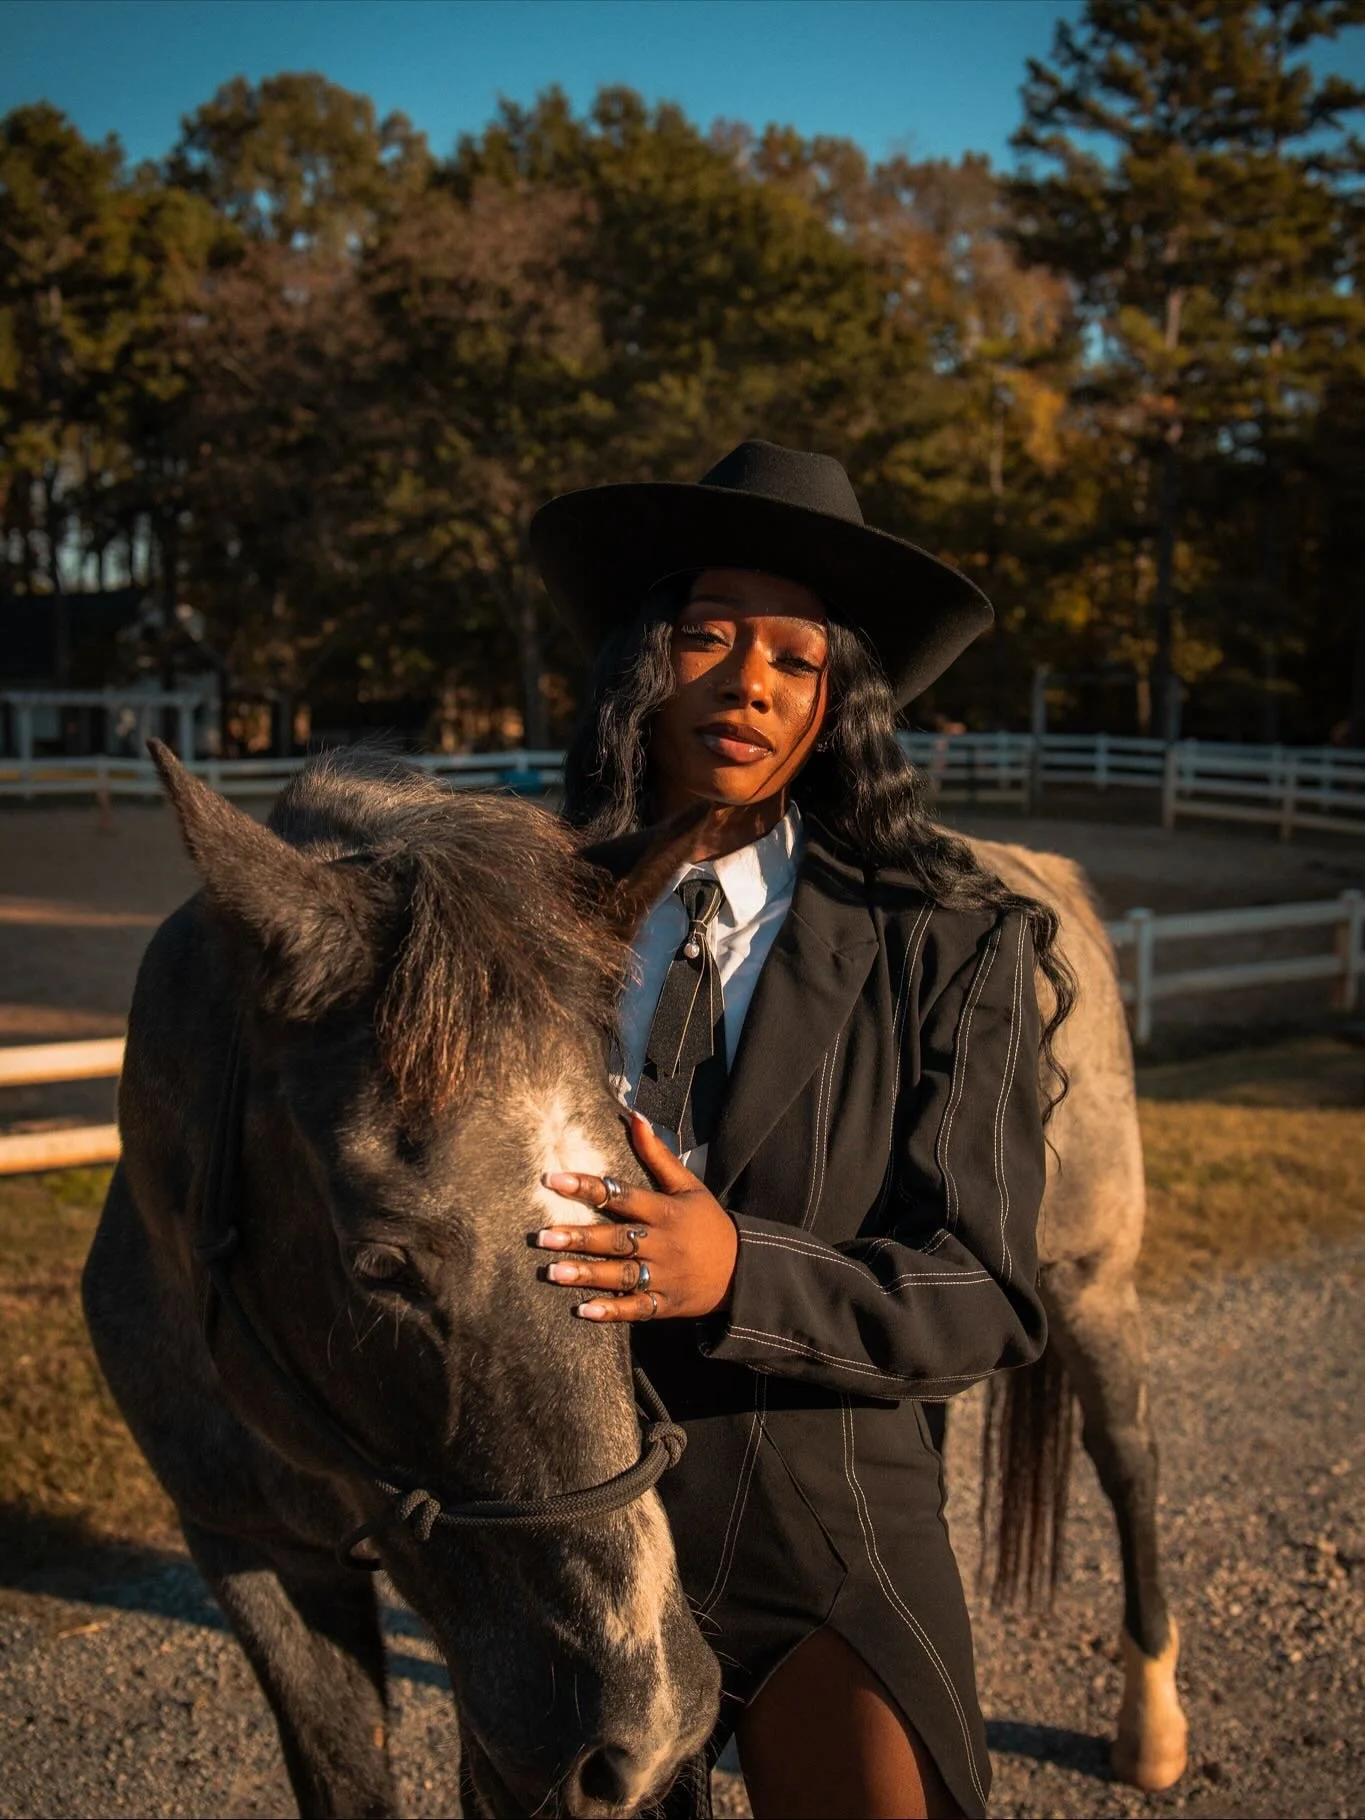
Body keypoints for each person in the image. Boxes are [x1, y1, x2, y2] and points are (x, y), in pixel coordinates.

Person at [526, 440, 1075, 1820]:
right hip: (562, 1538)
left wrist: (735, 1277)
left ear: (838, 705)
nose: (751, 680)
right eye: (707, 635)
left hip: (823, 1529)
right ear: (644, 664)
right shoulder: (517, 923)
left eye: (797, 658)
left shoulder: (949, 944)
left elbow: (988, 1293)